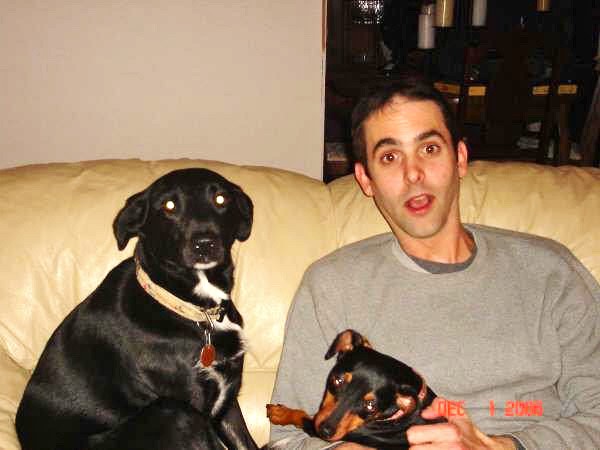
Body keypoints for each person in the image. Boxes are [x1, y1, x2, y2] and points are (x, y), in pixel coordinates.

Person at [268, 74, 600, 449]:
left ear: (460, 159)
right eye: (390, 157)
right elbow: (287, 440)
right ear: (366, 179)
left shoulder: (550, 271)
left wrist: (503, 447)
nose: (414, 174)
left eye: (429, 149)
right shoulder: (331, 286)